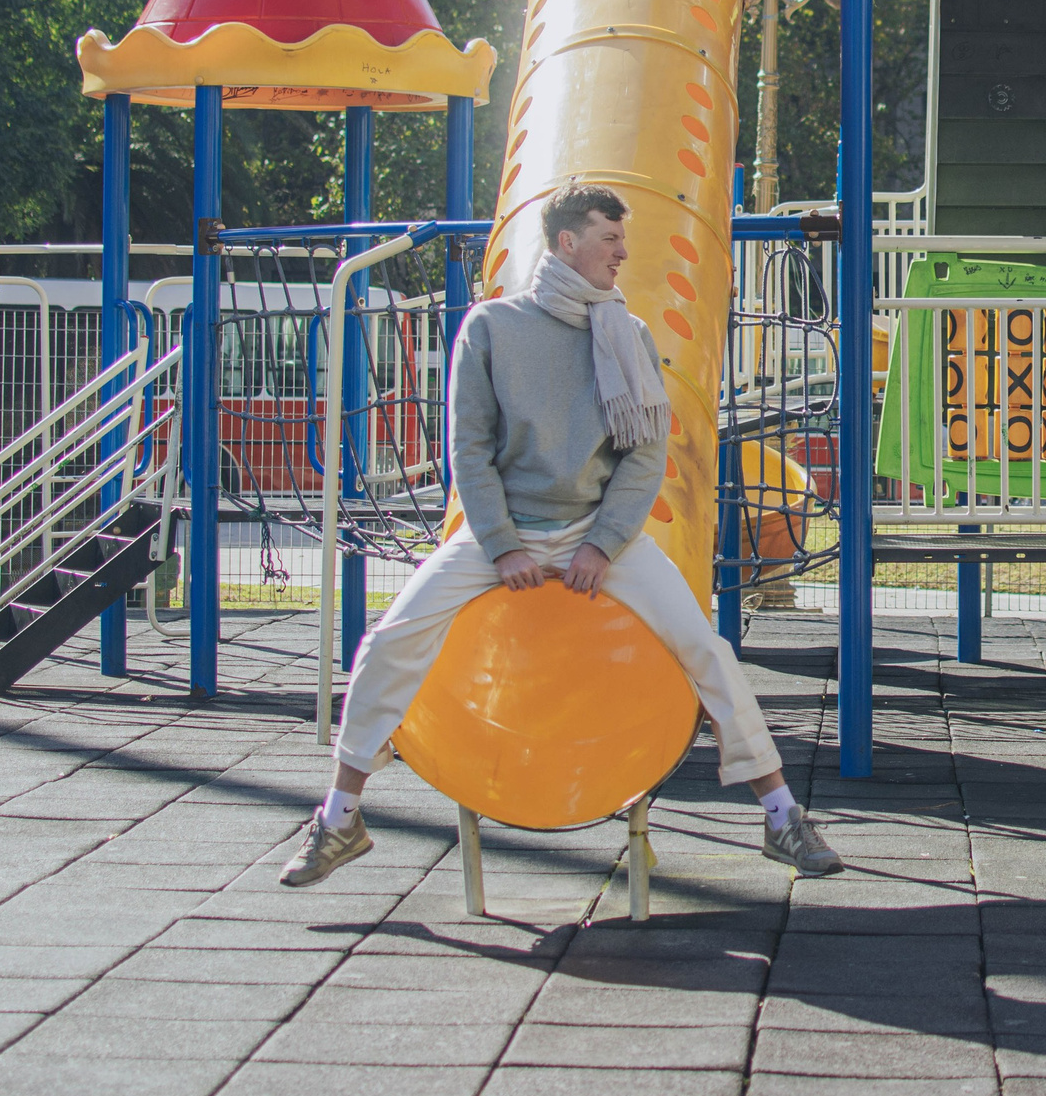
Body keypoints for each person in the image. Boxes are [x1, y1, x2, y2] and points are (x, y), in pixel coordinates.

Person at [281, 183, 844, 886]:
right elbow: (470, 450)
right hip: (505, 532)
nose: (623, 251)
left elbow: (643, 456)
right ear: (566, 243)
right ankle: (339, 817)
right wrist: (502, 543)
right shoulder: (492, 329)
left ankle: (781, 814)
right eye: (609, 237)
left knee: (705, 644)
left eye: (622, 238)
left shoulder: (626, 332)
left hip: (593, 532)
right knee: (391, 639)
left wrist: (602, 543)